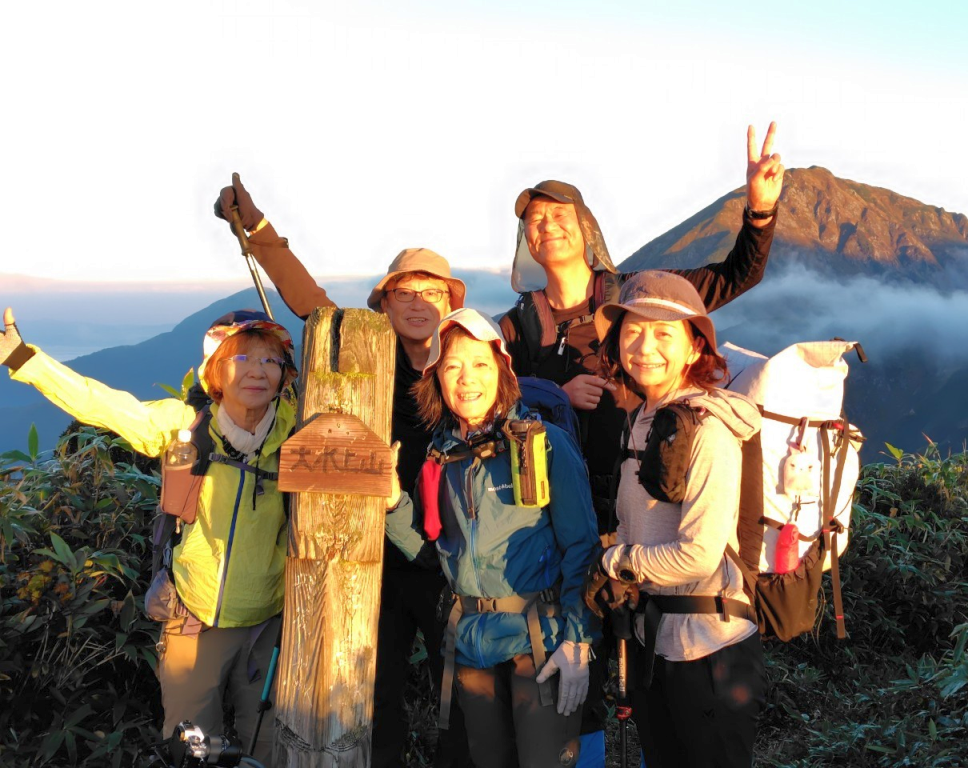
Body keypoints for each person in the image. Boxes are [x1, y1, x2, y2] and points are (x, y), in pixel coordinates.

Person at [499, 123, 782, 762]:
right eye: (534, 222)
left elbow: (737, 273)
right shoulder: (518, 324)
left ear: (586, 226)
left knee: (650, 691)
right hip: (571, 518)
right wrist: (554, 394)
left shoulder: (638, 298)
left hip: (645, 531)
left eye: (559, 216)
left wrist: (759, 209)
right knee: (582, 667)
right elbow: (488, 397)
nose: (547, 228)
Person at [212, 176, 473, 768]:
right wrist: (255, 231)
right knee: (369, 688)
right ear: (383, 303)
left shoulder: (468, 370)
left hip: (447, 555)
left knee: (457, 686)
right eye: (403, 290)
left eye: (431, 291)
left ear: (450, 304)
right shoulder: (363, 357)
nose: (416, 300)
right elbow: (312, 305)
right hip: (368, 548)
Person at [0, 307, 298, 765]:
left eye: (271, 360)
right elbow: (105, 405)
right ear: (215, 370)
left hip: (267, 625)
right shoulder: (184, 427)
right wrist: (27, 360)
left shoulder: (296, 435)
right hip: (193, 620)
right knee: (192, 747)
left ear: (285, 374)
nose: (258, 370)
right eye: (241, 358)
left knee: (266, 746)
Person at [385, 308, 600, 768]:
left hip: (540, 642)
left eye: (480, 364)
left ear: (503, 371)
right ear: (436, 378)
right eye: (452, 366)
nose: (466, 379)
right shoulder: (442, 457)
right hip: (472, 646)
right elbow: (433, 552)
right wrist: (391, 504)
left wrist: (578, 642)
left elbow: (581, 544)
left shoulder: (544, 444)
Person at [593, 271, 765, 767]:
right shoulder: (640, 420)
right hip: (655, 644)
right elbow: (631, 523)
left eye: (664, 333)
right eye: (632, 331)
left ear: (694, 349)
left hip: (712, 649)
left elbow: (699, 554)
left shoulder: (708, 427)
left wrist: (616, 561)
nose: (644, 346)